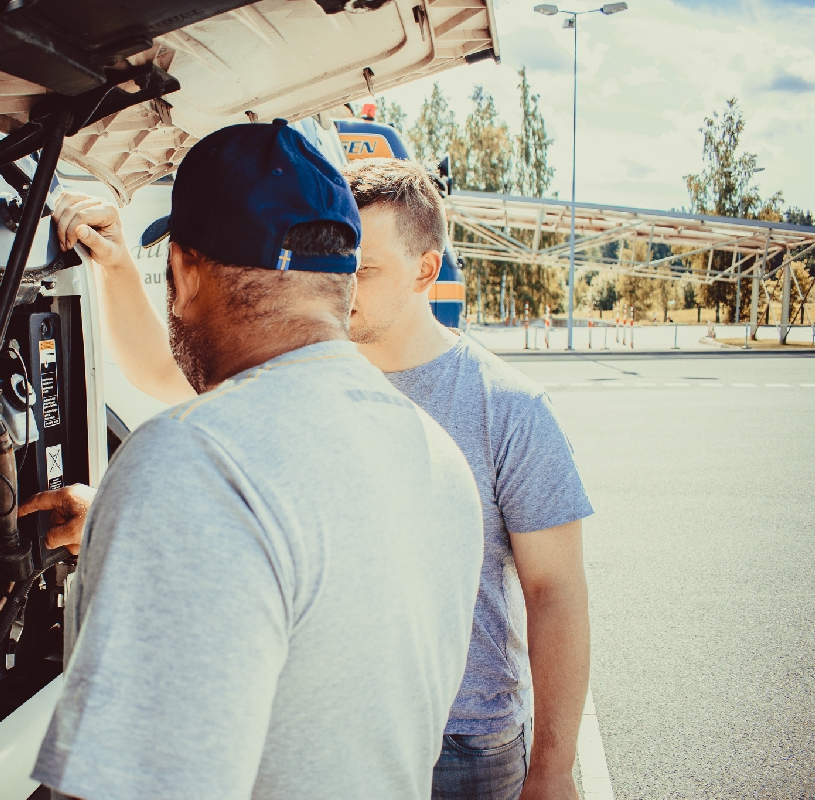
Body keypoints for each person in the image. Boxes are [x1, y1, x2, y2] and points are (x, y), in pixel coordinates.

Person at [32, 155, 593, 800]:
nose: (346, 283)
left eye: (364, 268)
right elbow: (297, 526)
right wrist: (122, 514)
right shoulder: (336, 385)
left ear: (425, 271)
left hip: (467, 742)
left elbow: (555, 592)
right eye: (342, 261)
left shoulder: (507, 409)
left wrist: (552, 769)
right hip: (349, 736)